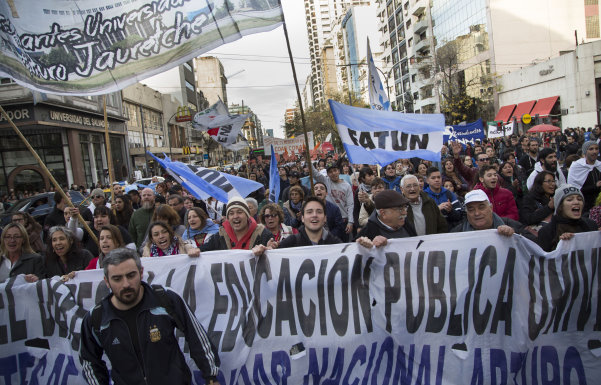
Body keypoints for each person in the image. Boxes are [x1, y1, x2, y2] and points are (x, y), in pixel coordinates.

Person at [79, 248, 220, 385]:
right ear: (106, 281)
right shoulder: (96, 318)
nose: (126, 284)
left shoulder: (164, 299)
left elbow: (196, 336)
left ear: (141, 273)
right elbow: (90, 361)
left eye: (131, 275)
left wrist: (211, 376)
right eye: (117, 279)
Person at [450, 190, 534, 240]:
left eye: (481, 207)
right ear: (466, 213)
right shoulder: (457, 234)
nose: (477, 213)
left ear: (491, 208)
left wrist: (514, 235)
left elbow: (535, 243)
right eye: (471, 209)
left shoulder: (509, 224)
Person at [537, 184, 598, 252]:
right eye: (569, 200)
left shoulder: (591, 225)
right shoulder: (546, 232)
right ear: (560, 206)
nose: (576, 202)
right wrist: (561, 245)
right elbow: (544, 260)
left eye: (579, 199)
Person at [201, 197, 272, 252]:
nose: (235, 216)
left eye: (239, 212)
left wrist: (268, 250)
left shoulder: (263, 234)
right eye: (231, 213)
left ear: (247, 215)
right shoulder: (219, 236)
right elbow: (202, 251)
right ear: (228, 217)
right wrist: (191, 249)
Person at [312, 163, 354, 240]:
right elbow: (314, 173)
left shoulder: (347, 185)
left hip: (344, 220)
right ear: (327, 174)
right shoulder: (326, 181)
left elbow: (350, 204)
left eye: (335, 170)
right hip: (330, 220)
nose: (333, 173)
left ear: (339, 171)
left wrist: (350, 222)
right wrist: (308, 161)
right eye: (330, 172)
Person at [278, 197, 342, 248]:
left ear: (325, 218)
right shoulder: (289, 243)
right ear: (302, 218)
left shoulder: (337, 245)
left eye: (319, 212)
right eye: (309, 212)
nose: (314, 215)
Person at [567, 141, 601, 213]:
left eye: (596, 148)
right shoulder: (577, 166)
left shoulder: (599, 165)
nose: (594, 151)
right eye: (591, 149)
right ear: (585, 151)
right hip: (583, 206)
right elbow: (574, 189)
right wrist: (595, 186)